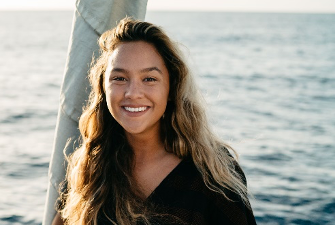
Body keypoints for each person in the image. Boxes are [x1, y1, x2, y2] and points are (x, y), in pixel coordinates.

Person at [54, 18, 257, 225]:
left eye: (149, 79)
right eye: (119, 78)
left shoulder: (213, 172)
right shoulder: (91, 163)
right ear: (103, 88)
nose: (133, 93)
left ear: (171, 88)